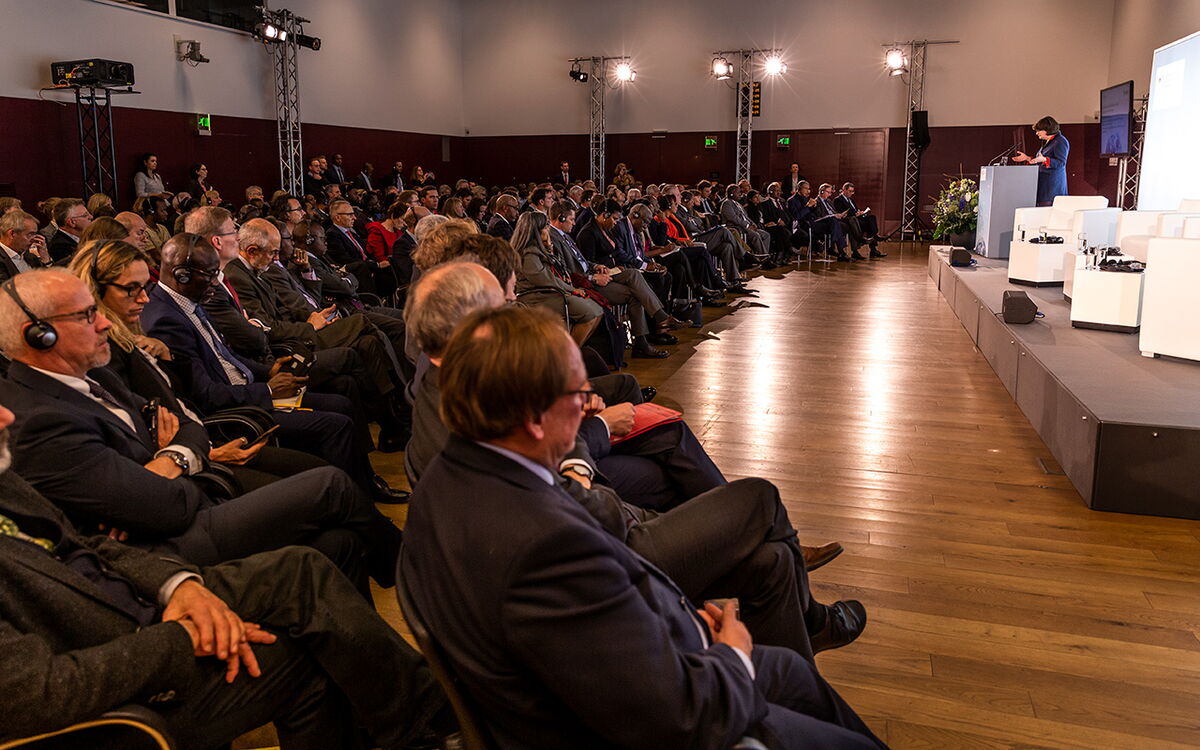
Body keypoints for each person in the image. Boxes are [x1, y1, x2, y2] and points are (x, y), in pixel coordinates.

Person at [402, 304, 885, 749]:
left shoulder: (443, 481)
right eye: (578, 394)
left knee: (777, 595)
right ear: (533, 418)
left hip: (611, 673)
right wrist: (731, 655)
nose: (591, 404)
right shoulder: (547, 547)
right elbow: (681, 719)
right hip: (652, 720)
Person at [0, 269, 402, 591]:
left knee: (341, 544)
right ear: (39, 334)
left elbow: (185, 422)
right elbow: (164, 507)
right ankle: (418, 579)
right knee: (330, 484)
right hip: (172, 544)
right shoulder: (36, 419)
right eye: (87, 315)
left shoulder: (91, 376)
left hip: (194, 493)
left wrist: (171, 457)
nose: (104, 322)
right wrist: (176, 459)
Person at [511, 211, 602, 347]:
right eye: (546, 227)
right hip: (535, 296)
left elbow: (558, 270)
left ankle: (574, 351)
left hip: (549, 292)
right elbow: (545, 279)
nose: (548, 230)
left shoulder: (540, 248)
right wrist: (572, 290)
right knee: (590, 313)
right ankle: (570, 353)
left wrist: (549, 247)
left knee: (598, 311)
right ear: (537, 230)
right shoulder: (528, 254)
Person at [1013, 116, 1070, 206]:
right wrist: (1027, 158)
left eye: (1039, 130)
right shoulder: (1047, 142)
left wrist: (1044, 159)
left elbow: (1061, 163)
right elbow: (1040, 160)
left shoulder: (1060, 141)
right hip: (1043, 186)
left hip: (1052, 188)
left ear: (1047, 129)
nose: (1037, 133)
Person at [832, 183, 885, 259]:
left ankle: (874, 243)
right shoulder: (838, 200)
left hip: (857, 219)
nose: (851, 193)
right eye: (849, 191)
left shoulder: (851, 200)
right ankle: (862, 241)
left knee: (871, 218)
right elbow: (841, 213)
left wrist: (860, 213)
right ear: (844, 190)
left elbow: (855, 210)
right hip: (848, 220)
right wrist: (855, 214)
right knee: (854, 223)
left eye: (852, 192)